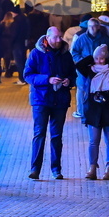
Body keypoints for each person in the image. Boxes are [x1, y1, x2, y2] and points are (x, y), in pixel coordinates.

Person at [23, 26, 75, 180]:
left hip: (60, 100)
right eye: (56, 37)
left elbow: (73, 74)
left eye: (60, 37)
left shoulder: (65, 54)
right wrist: (47, 79)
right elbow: (28, 75)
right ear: (47, 37)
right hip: (41, 99)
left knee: (57, 136)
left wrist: (69, 81)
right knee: (39, 134)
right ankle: (35, 169)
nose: (59, 40)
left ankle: (56, 169)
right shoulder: (36, 53)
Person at [76, 45, 109, 180]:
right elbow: (79, 65)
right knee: (93, 141)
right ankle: (92, 168)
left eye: (102, 58)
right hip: (93, 111)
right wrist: (93, 55)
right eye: (96, 58)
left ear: (106, 58)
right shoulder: (89, 70)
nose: (99, 61)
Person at [71, 17, 109, 119]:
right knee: (82, 88)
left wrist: (105, 61)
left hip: (99, 68)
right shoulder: (82, 38)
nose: (92, 28)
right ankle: (81, 112)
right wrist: (82, 61)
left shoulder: (104, 38)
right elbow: (74, 52)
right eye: (90, 26)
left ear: (98, 27)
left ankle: (95, 112)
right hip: (84, 69)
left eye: (94, 26)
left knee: (98, 89)